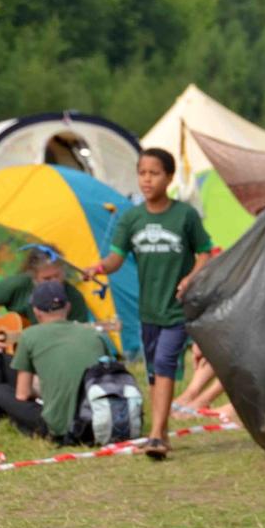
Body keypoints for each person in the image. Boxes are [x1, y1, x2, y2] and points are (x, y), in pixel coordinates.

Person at [84, 147, 212, 460]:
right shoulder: (131, 218)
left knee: (166, 363)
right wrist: (98, 267)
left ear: (168, 177)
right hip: (148, 311)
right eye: (142, 173)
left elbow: (205, 253)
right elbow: (116, 258)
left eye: (154, 173)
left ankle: (155, 435)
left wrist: (191, 278)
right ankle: (162, 432)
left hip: (177, 309)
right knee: (155, 372)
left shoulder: (185, 216)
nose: (146, 179)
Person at [0, 281, 107, 439]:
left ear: (36, 311)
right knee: (1, 365)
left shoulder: (30, 336)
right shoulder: (93, 334)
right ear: (68, 307)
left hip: (60, 428)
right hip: (98, 419)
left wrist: (40, 389)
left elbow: (23, 394)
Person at [0, 243, 90, 356]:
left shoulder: (74, 298)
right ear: (34, 278)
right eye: (46, 279)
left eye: (57, 276)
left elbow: (77, 339)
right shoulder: (21, 284)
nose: (54, 282)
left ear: (63, 272)